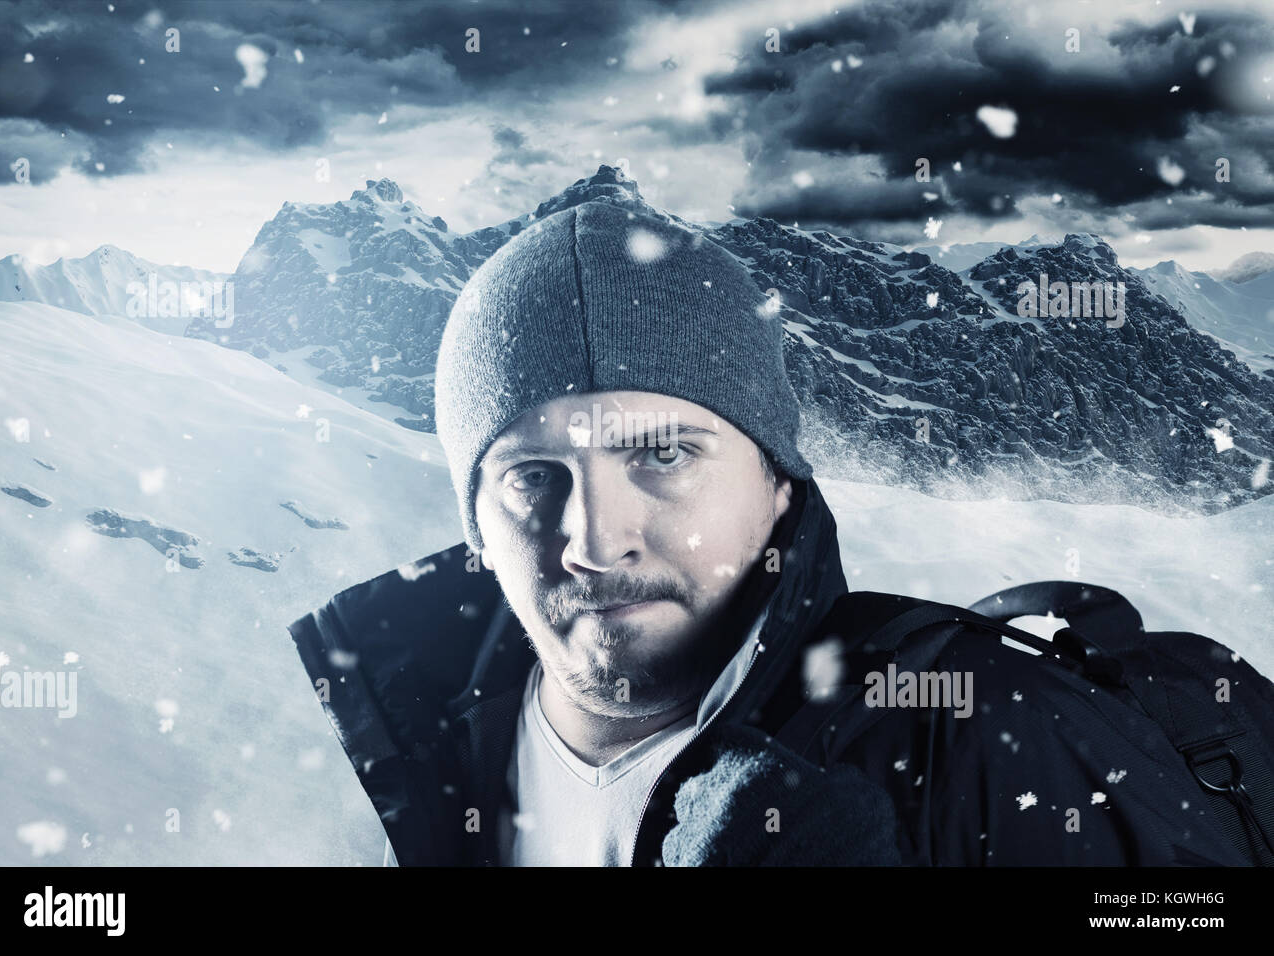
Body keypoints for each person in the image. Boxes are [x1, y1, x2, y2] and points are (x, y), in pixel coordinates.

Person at [289, 201, 1255, 866]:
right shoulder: (429, 745)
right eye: (532, 478)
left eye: (664, 456)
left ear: (779, 488)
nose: (594, 537)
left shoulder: (981, 735)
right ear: (476, 528)